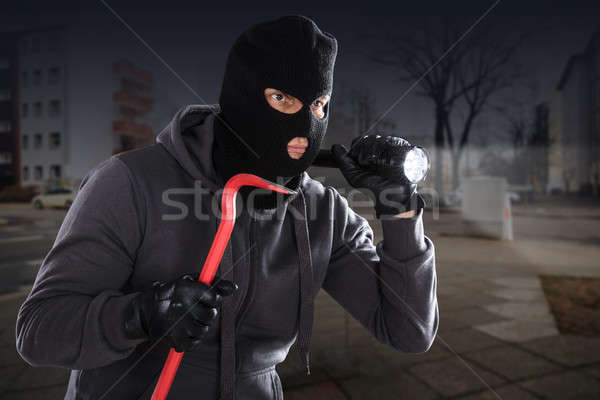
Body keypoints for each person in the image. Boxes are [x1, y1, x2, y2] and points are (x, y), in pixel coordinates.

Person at [16, 15, 438, 400]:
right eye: (283, 100)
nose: (307, 125)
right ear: (243, 96)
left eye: (318, 105)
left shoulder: (322, 211)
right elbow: (38, 331)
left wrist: (399, 211)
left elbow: (409, 331)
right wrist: (138, 315)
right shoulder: (130, 181)